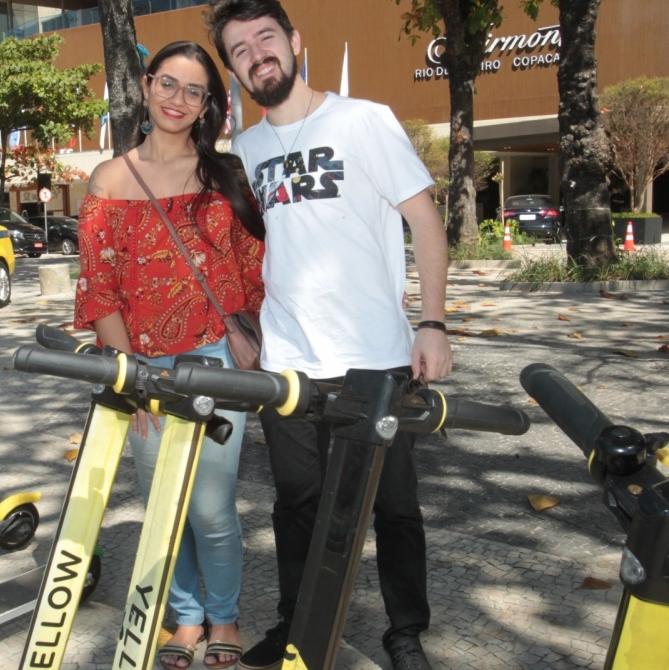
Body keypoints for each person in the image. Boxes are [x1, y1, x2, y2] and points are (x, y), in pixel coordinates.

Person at [205, 2, 454, 669]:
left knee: (394, 509)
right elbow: (252, 255)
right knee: (298, 507)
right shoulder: (247, 152)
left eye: (265, 38)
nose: (257, 55)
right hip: (288, 363)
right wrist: (240, 324)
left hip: (376, 356)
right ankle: (296, 628)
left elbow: (425, 222)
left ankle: (405, 635)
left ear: (294, 41)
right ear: (235, 71)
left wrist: (431, 322)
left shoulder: (363, 120)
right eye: (240, 50)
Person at [73, 40, 267, 670]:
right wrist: (127, 376)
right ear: (147, 86)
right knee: (165, 505)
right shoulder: (108, 180)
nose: (178, 99)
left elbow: (254, 269)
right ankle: (183, 619)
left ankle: (225, 615)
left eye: (194, 91)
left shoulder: (226, 176)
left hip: (214, 359)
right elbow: (99, 286)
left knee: (210, 506)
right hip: (144, 367)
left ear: (208, 104)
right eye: (168, 84)